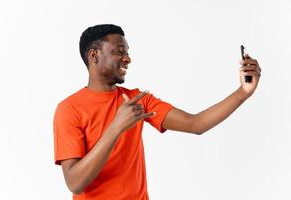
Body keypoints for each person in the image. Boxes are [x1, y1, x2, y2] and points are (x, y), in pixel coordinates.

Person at [53, 24, 261, 199]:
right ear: (93, 55)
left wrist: (242, 93)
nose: (127, 59)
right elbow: (75, 183)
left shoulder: (137, 100)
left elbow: (195, 124)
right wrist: (116, 127)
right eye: (119, 51)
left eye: (127, 52)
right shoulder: (69, 109)